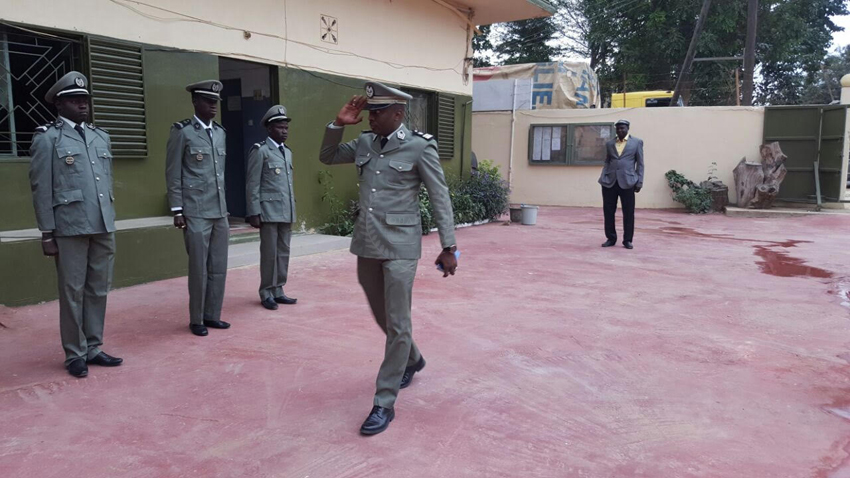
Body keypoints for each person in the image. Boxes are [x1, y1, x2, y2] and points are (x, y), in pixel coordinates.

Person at [320, 82, 458, 436]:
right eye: (369, 113)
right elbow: (328, 157)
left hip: (400, 246)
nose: (372, 118)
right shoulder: (365, 142)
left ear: (398, 114)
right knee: (381, 315)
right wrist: (338, 124)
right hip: (367, 242)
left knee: (397, 322)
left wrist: (449, 246)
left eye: (378, 112)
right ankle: (413, 358)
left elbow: (440, 197)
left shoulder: (419, 146)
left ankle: (384, 402)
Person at [28, 71, 123, 378]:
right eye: (75, 100)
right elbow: (41, 187)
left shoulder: (100, 136)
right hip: (69, 226)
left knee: (98, 288)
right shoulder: (48, 138)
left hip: (102, 223)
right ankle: (74, 353)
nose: (83, 105)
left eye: (85, 100)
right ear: (59, 104)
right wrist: (46, 232)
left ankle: (94, 346)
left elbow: (103, 181)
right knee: (73, 291)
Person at [165, 80, 231, 337]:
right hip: (195, 210)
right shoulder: (182, 132)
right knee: (199, 268)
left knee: (219, 266)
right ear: (195, 102)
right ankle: (196, 319)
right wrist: (177, 210)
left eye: (215, 102)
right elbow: (173, 172)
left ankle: (213, 314)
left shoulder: (221, 133)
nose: (213, 106)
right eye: (207, 101)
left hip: (219, 210)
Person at [245, 105, 298, 310]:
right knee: (269, 253)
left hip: (286, 209)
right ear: (269, 129)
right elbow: (253, 183)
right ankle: (266, 291)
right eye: (280, 127)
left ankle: (279, 289)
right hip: (267, 212)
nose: (284, 131)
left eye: (286, 128)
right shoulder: (261, 151)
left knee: (283, 251)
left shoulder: (288, 152)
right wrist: (253, 211)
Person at [598, 119, 644, 250]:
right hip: (609, 182)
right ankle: (611, 238)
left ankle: (627, 240)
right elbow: (608, 161)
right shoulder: (610, 143)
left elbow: (640, 164)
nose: (620, 130)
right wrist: (604, 174)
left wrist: (639, 181)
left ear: (628, 128)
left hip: (628, 182)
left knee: (628, 212)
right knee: (608, 211)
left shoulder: (636, 142)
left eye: (622, 128)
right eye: (618, 128)